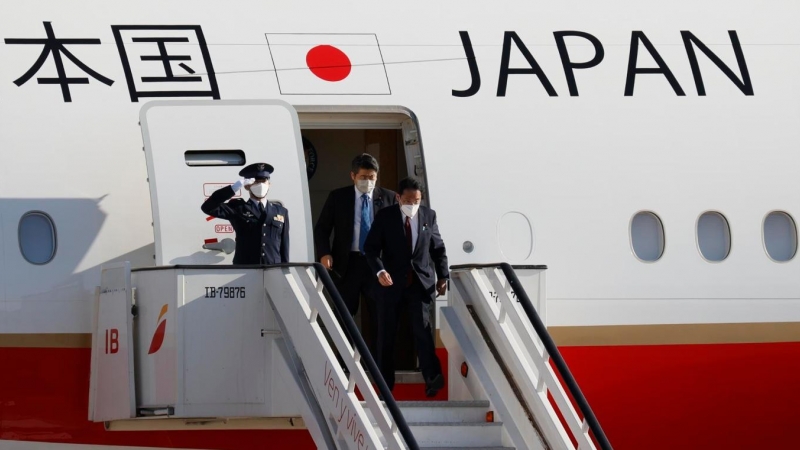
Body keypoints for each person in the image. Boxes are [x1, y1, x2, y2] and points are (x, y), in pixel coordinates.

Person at [364, 177, 448, 397]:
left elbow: (437, 249)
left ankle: (431, 378)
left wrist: (443, 276)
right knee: (387, 335)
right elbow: (370, 249)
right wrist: (380, 271)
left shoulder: (429, 216)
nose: (413, 204)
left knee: (423, 331)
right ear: (399, 198)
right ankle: (385, 386)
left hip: (419, 284)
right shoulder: (385, 217)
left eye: (417, 200)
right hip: (390, 284)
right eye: (409, 200)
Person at [314, 153, 397, 318]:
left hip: (377, 265)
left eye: (372, 177)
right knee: (344, 315)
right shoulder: (338, 197)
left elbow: (397, 234)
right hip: (347, 264)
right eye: (363, 177)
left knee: (380, 315)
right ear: (353, 176)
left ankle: (376, 345)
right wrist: (324, 253)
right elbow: (322, 228)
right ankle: (344, 344)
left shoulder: (389, 198)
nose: (368, 181)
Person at [201, 162, 289, 265]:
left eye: (263, 181)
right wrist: (233, 188)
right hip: (245, 269)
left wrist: (284, 268)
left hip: (273, 269)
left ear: (269, 184)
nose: (260, 185)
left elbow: (284, 245)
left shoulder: (280, 211)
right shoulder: (238, 208)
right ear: (247, 186)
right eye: (256, 182)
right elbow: (208, 207)